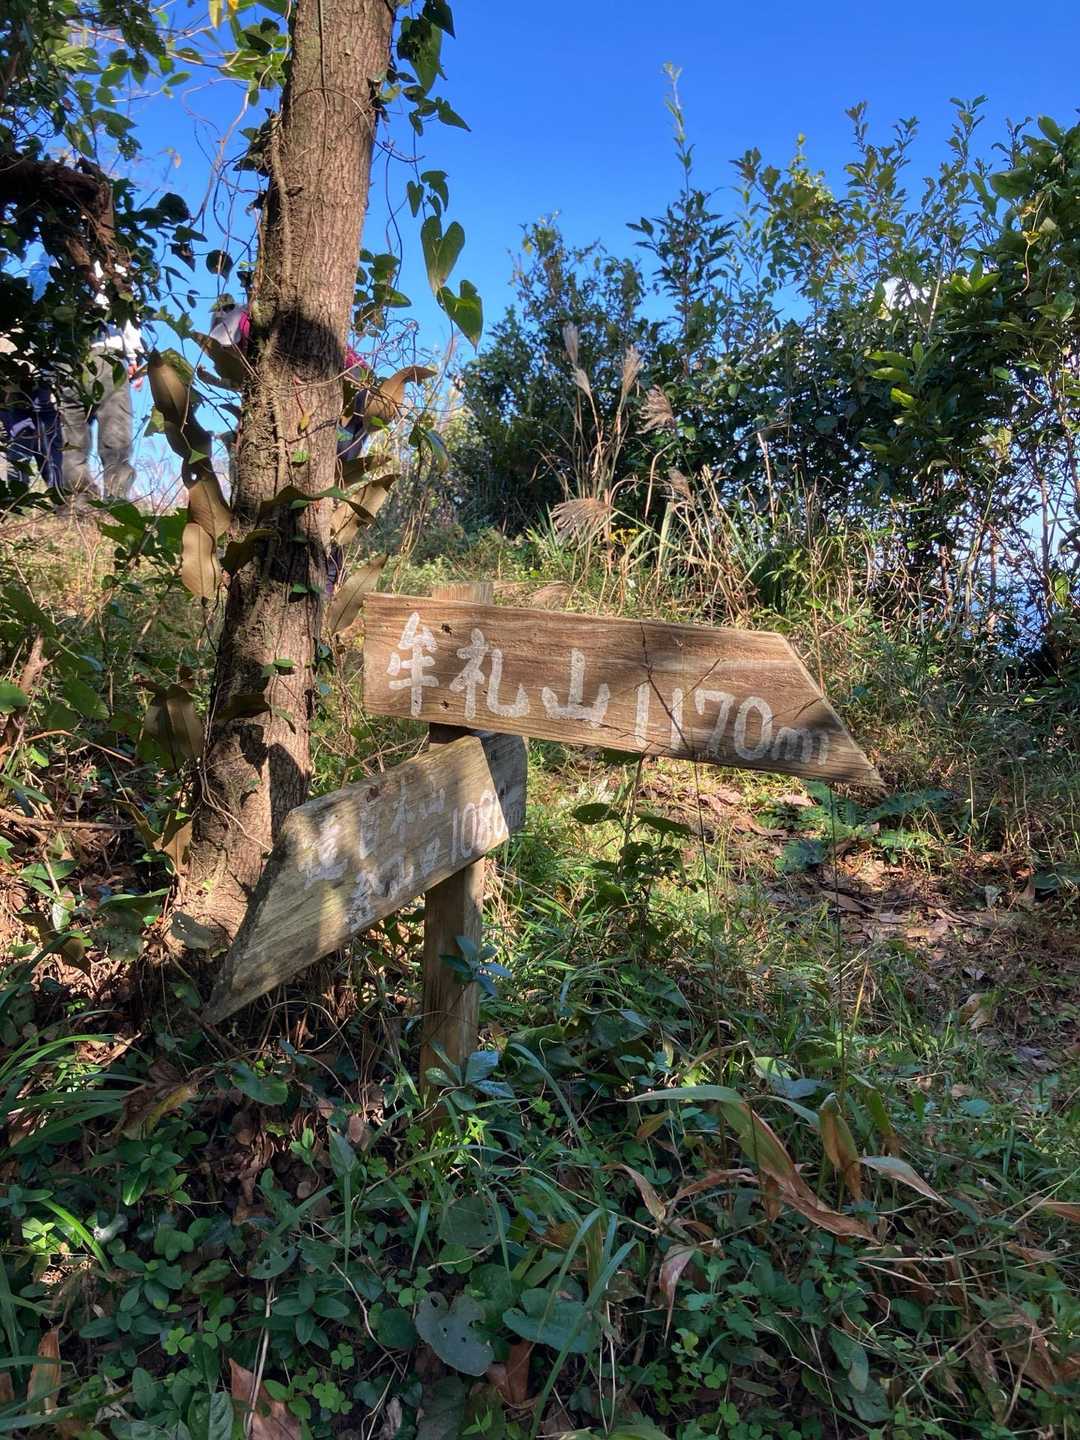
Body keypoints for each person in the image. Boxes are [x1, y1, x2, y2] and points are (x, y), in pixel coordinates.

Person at [58, 265, 144, 499]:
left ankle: (77, 503)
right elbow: (127, 312)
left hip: (68, 357)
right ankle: (115, 503)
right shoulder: (114, 265)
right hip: (107, 356)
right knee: (115, 437)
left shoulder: (56, 259)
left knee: (71, 440)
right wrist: (134, 356)